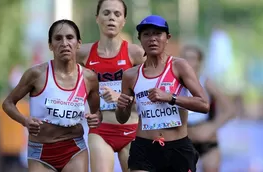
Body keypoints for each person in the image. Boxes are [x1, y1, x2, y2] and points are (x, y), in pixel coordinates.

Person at [2, 19, 101, 172]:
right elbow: (8, 103)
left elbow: (97, 114)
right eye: (58, 38)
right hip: (40, 152)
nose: (64, 43)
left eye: (69, 37)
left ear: (78, 43)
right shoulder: (36, 74)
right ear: (50, 45)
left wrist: (96, 118)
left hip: (74, 149)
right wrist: (25, 121)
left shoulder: (89, 78)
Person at [116, 15, 210, 172]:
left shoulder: (179, 66)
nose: (152, 39)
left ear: (167, 38)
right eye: (147, 34)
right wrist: (121, 107)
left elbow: (204, 104)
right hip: (144, 148)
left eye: (158, 34)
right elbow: (122, 118)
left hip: (177, 148)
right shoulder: (130, 75)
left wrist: (170, 98)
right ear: (139, 39)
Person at [76, 0, 145, 172]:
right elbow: (60, 77)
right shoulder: (83, 53)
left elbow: (151, 93)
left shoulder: (135, 53)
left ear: (124, 21)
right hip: (101, 130)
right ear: (97, 18)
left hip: (132, 130)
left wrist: (122, 98)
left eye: (117, 14)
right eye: (106, 13)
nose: (111, 18)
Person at [182, 45, 234, 172]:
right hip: (185, 142)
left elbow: (230, 110)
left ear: (200, 62)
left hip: (207, 143)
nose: (188, 62)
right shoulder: (175, 83)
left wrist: (212, 127)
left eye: (192, 58)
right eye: (185, 58)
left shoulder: (206, 82)